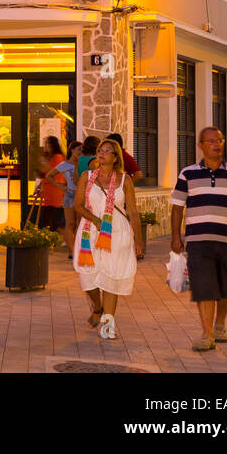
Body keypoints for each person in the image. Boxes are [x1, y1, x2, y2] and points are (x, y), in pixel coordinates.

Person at [170, 126, 227, 352]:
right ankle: (207, 334)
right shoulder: (187, 173)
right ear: (200, 145)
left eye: (219, 140)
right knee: (204, 285)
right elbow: (177, 207)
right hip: (197, 240)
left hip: (226, 239)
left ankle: (220, 323)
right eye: (210, 141)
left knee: (226, 285)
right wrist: (175, 237)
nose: (216, 144)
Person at [73, 137, 140, 340]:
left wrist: (139, 241)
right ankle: (98, 306)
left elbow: (133, 212)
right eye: (100, 150)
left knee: (111, 279)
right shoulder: (87, 177)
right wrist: (95, 220)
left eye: (107, 151)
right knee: (88, 280)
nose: (101, 153)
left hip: (117, 233)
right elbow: (78, 206)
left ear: (115, 157)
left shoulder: (124, 180)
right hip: (89, 232)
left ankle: (108, 326)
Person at [49, 145, 79, 259]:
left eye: (82, 149)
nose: (80, 152)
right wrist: (60, 186)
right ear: (72, 150)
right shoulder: (64, 165)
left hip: (81, 195)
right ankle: (71, 250)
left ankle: (77, 248)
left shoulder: (82, 164)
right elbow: (49, 175)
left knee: (79, 223)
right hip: (70, 194)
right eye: (78, 149)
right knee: (70, 223)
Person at [35, 136, 67, 232]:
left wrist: (44, 162)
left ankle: (51, 238)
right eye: (45, 144)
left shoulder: (58, 157)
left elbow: (51, 171)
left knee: (50, 219)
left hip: (55, 192)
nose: (45, 146)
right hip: (49, 193)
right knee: (47, 218)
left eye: (47, 144)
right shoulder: (52, 158)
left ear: (53, 145)